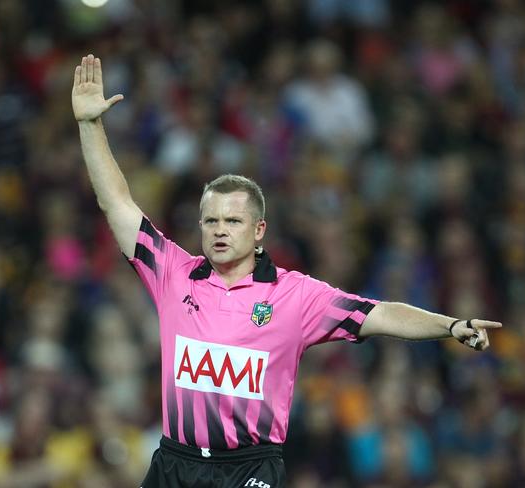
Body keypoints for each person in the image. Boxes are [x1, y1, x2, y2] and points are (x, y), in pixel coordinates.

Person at [72, 54, 502, 488]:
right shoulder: (173, 274)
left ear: (259, 230)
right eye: (211, 221)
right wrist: (90, 126)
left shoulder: (296, 295)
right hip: (174, 465)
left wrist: (450, 325)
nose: (220, 231)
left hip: (250, 469)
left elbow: (381, 314)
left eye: (233, 221)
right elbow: (118, 203)